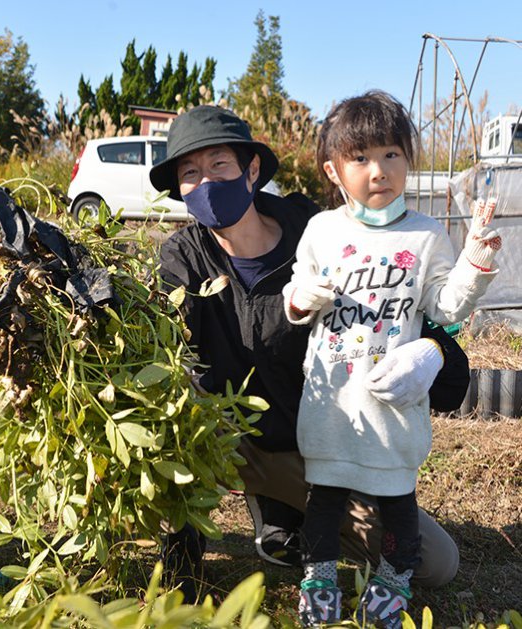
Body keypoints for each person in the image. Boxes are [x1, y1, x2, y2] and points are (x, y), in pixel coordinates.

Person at [148, 105, 472, 605]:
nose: (206, 183)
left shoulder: (321, 235)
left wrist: (431, 352)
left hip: (313, 446)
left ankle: (281, 512)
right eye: (190, 174)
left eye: (220, 166)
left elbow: (431, 331)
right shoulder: (182, 258)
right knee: (155, 438)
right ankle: (182, 549)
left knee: (434, 562)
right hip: (219, 443)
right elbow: (154, 348)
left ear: (252, 171)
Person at [282, 91, 499, 627]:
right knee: (325, 497)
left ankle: (395, 573)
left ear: (408, 158)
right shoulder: (321, 230)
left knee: (398, 499)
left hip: (393, 401)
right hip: (332, 401)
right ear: (334, 171)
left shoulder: (426, 235)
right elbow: (296, 295)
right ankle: (319, 574)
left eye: (391, 154)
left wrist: (473, 264)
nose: (378, 170)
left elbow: (445, 308)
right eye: (360, 158)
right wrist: (303, 298)